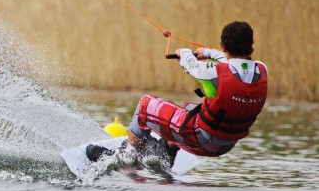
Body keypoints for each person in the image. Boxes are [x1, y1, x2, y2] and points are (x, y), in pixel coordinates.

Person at [87, 21, 268, 165]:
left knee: (145, 104)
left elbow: (192, 65)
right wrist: (207, 52)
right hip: (226, 145)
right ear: (251, 48)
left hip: (202, 140)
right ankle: (164, 154)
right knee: (186, 110)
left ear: (223, 46)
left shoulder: (212, 71)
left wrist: (184, 53)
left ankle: (128, 155)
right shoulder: (262, 70)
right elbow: (235, 63)